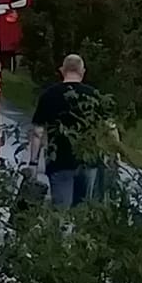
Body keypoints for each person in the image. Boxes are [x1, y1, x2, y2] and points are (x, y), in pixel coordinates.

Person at [29, 53, 113, 207]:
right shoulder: (94, 96)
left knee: (61, 211)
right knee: (83, 209)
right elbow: (106, 129)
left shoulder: (49, 95)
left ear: (62, 70)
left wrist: (33, 163)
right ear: (83, 71)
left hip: (59, 161)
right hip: (88, 162)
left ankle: (60, 229)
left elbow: (38, 132)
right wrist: (109, 156)